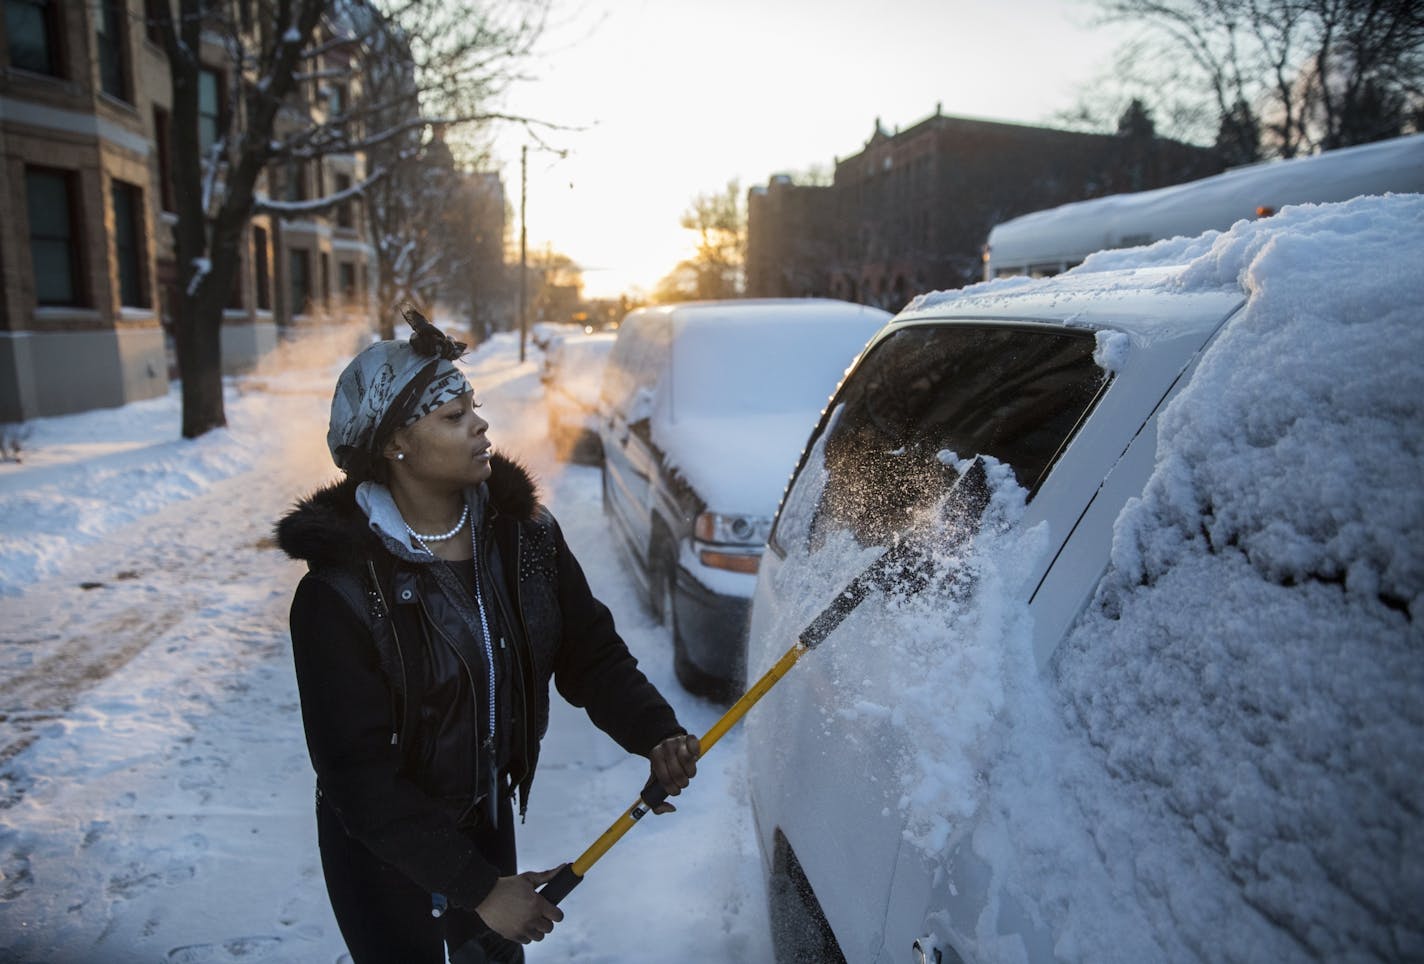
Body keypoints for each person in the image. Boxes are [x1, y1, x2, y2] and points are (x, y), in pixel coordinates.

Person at [275, 308, 700, 963]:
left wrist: (656, 730)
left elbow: (590, 654)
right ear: (396, 444)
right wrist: (480, 890)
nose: (481, 425)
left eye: (473, 407)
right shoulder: (338, 594)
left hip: (485, 820)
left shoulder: (523, 538)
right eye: (452, 417)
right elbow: (357, 776)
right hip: (382, 851)